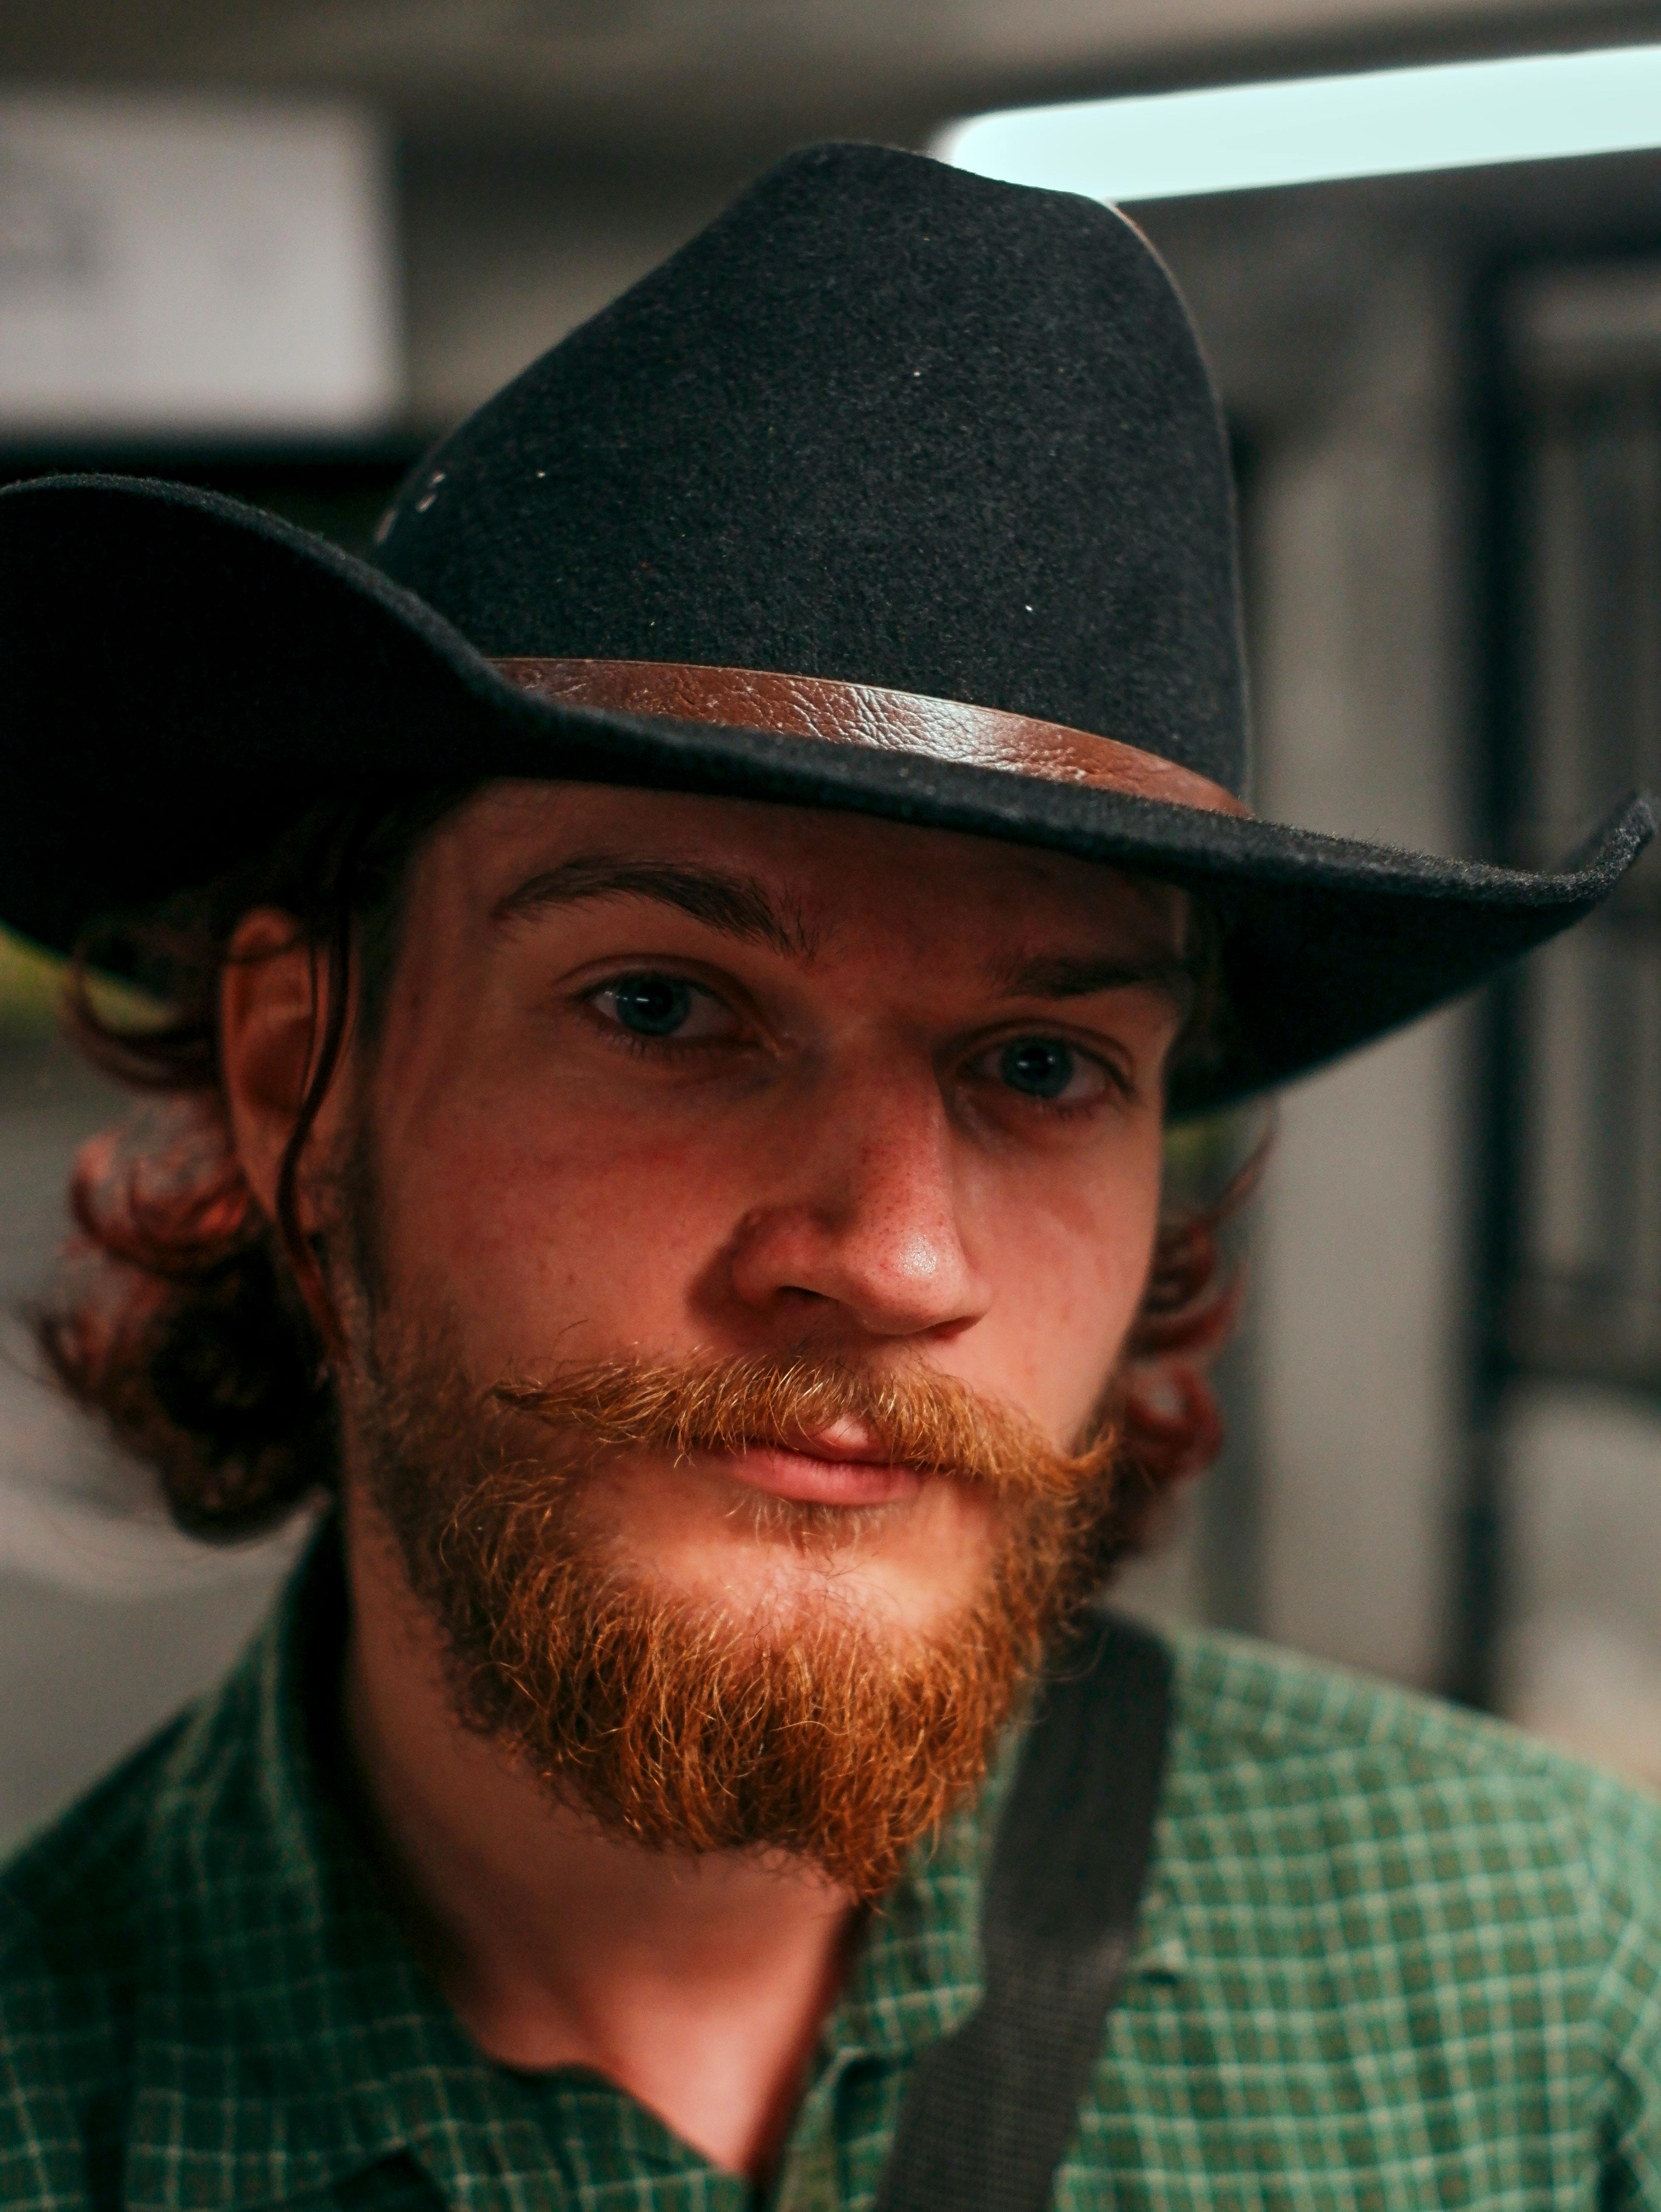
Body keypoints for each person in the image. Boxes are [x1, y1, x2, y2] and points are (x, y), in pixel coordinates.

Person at [0, 141, 1657, 2212]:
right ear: (295, 1085)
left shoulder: (1552, 1990)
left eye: (1043, 1065)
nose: (888, 1254)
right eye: (665, 1010)